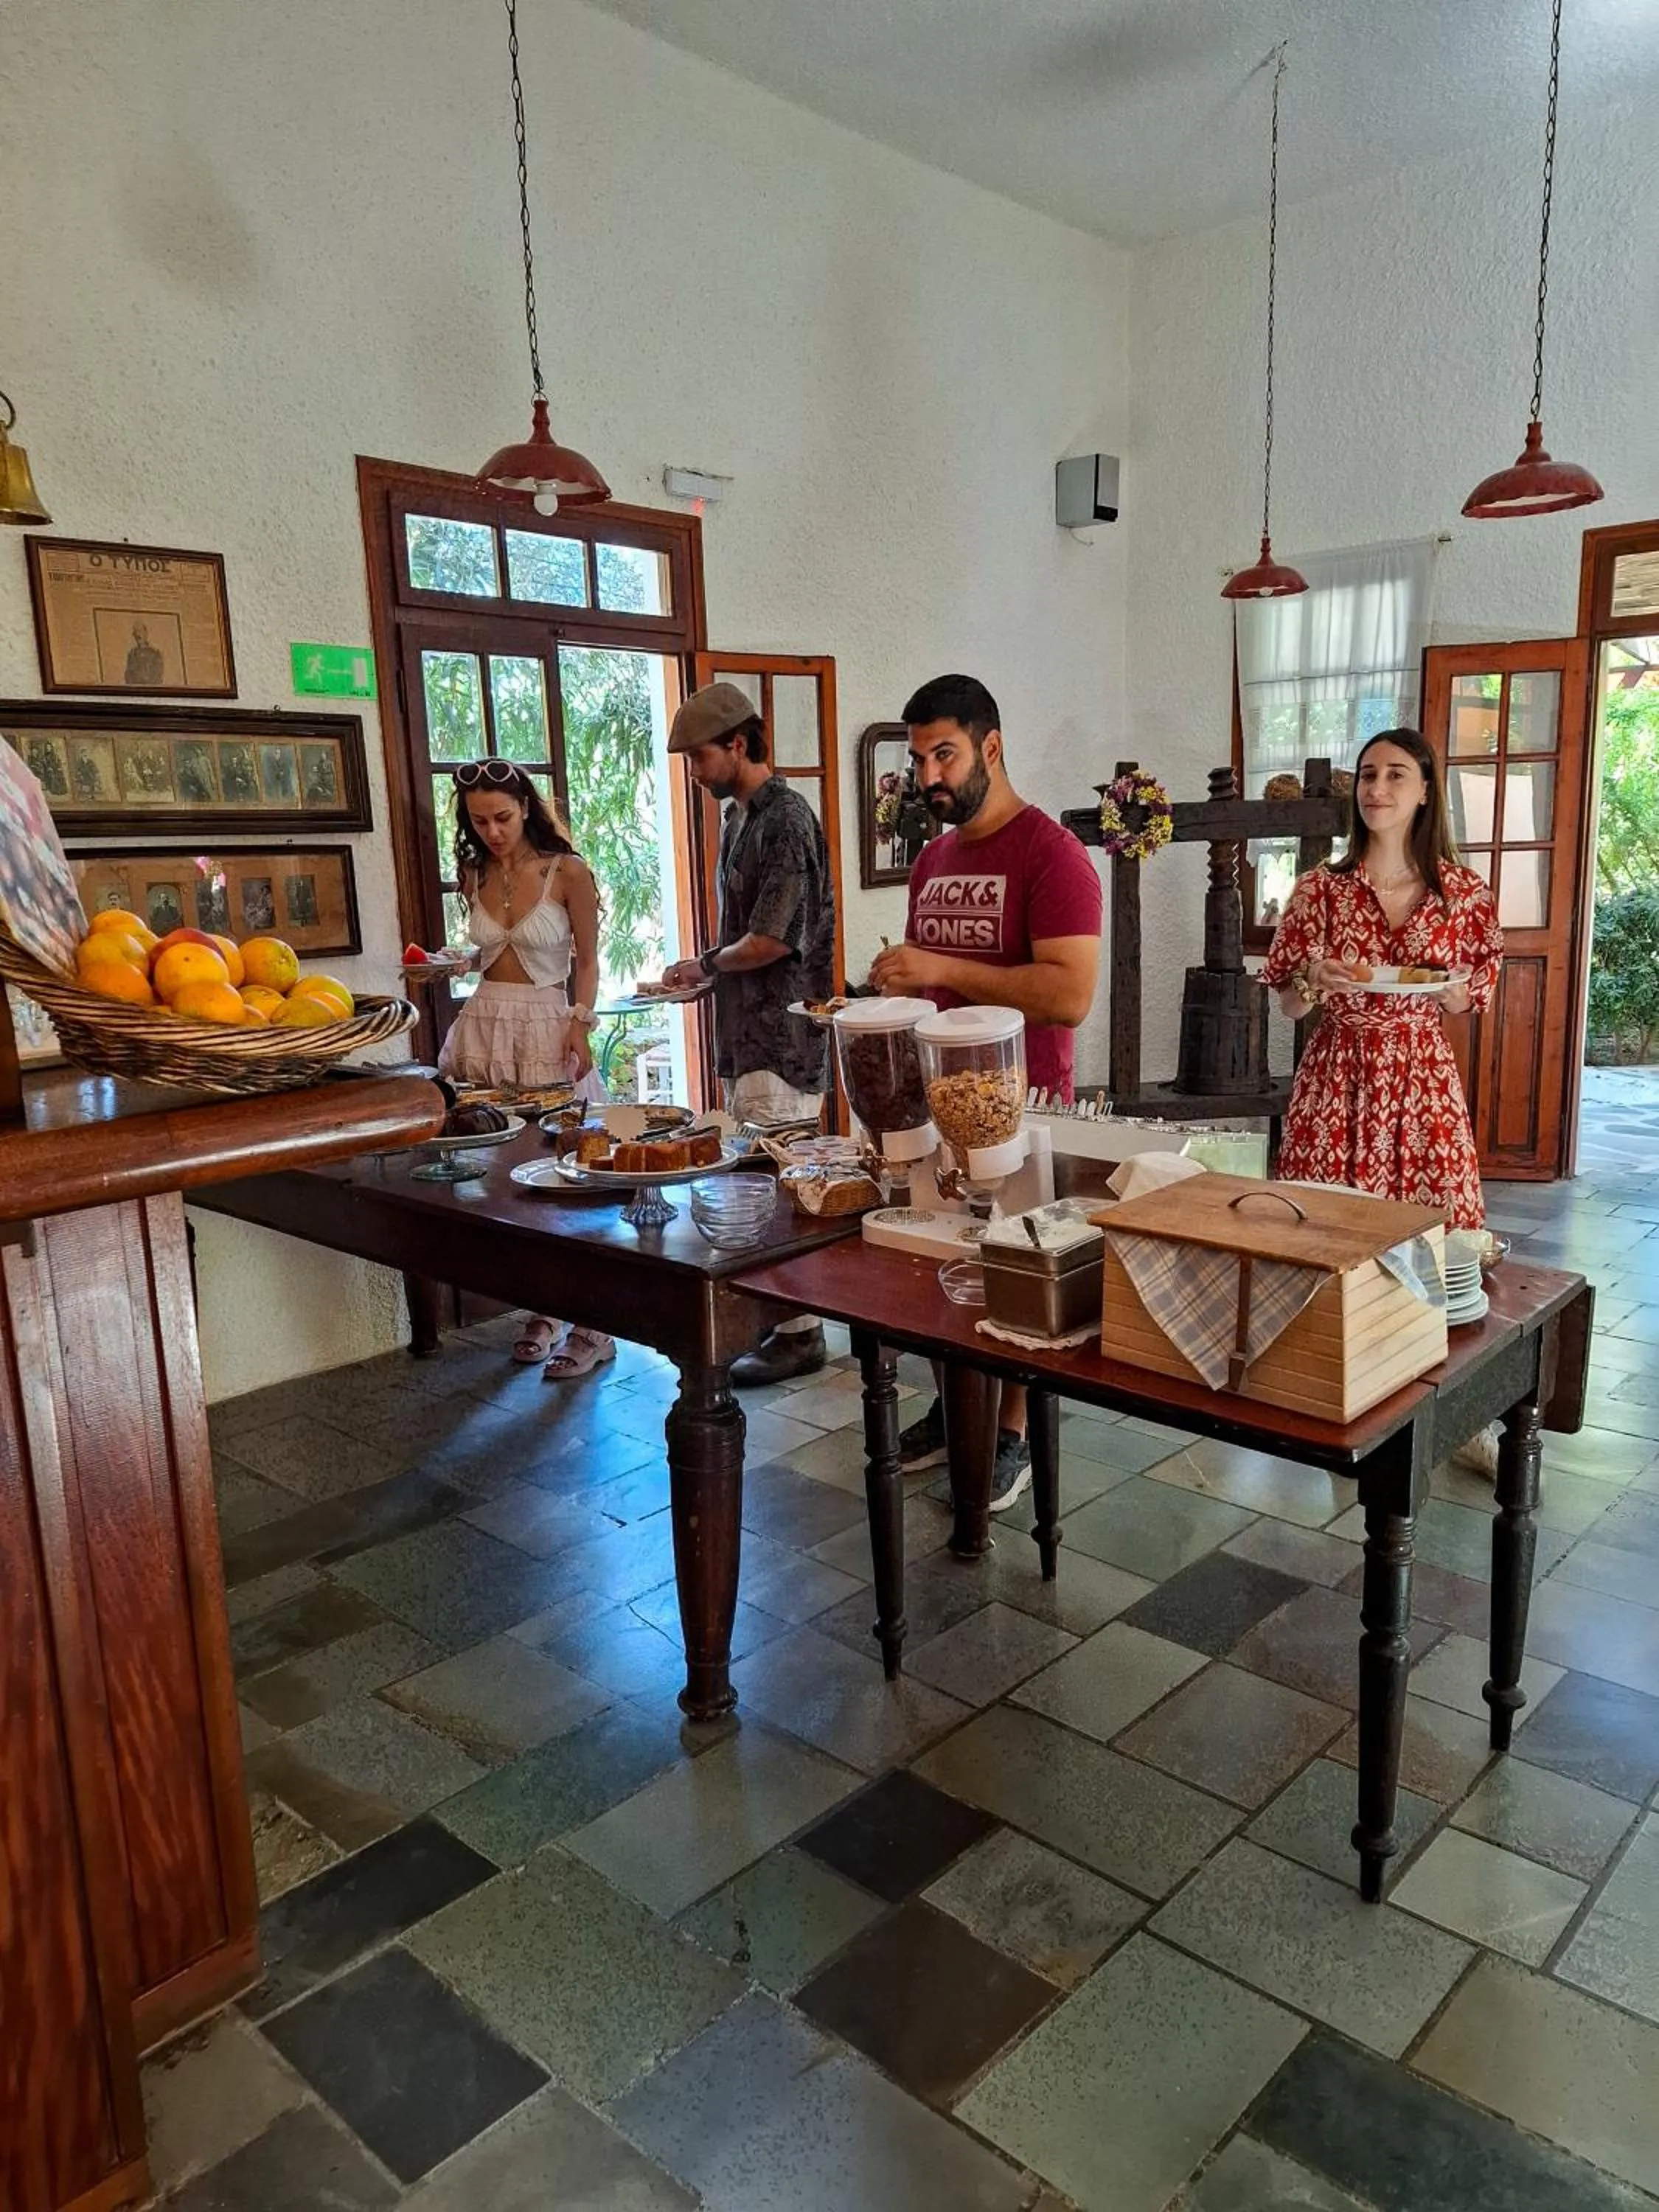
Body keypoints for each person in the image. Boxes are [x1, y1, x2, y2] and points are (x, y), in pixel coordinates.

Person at [870, 673, 1104, 1507]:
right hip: (938, 1103)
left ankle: (1010, 1433)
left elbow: (1070, 993)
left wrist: (940, 966)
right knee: (941, 1265)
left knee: (1015, 1276)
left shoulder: (1052, 854)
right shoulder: (933, 860)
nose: (928, 776)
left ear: (991, 747)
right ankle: (952, 1409)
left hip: (1025, 1105)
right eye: (918, 759)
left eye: (945, 755)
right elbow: (931, 986)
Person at [659, 681, 836, 1385]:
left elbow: (773, 939)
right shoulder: (739, 818)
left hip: (783, 1041)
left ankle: (801, 1333)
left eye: (699, 757)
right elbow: (746, 940)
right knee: (760, 1182)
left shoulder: (786, 819)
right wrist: (706, 975)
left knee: (784, 1187)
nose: (694, 773)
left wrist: (704, 964)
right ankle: (779, 1322)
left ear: (738, 744)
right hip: (746, 1036)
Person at [1261, 726, 1501, 1228]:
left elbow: (1469, 999)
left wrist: (1452, 991)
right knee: (1322, 1227)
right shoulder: (1319, 889)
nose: (1376, 789)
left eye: (1396, 776)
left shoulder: (1463, 893)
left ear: (1425, 791)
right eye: (1368, 776)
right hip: (1336, 1071)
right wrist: (1314, 978)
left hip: (1422, 1072)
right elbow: (1291, 1006)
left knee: (1432, 1229)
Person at [437, 759, 614, 1381]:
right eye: (479, 821)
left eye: (503, 817)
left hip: (547, 1024)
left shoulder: (568, 871)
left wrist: (581, 1023)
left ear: (526, 809)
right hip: (486, 1025)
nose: (492, 831)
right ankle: (543, 1310)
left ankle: (595, 1323)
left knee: (566, 1174)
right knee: (508, 1179)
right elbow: (488, 952)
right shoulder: (474, 872)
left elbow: (587, 960)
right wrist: (454, 963)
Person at [124, 622, 164, 686]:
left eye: (140, 631)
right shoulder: (132, 654)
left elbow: (158, 675)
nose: (138, 635)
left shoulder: (155, 654)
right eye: (136, 633)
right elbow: (128, 675)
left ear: (145, 634)